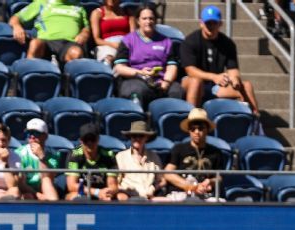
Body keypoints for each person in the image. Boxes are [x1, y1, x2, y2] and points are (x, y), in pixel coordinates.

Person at [180, 5, 264, 133]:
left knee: (246, 86)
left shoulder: (227, 43)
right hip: (191, 82)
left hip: (216, 86)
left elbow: (233, 69)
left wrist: (235, 80)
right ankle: (191, 124)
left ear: (220, 24)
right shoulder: (191, 41)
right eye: (208, 23)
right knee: (196, 81)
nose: (211, 26)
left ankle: (255, 125)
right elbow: (190, 70)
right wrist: (214, 77)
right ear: (201, 23)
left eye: (214, 23)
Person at [113, 4, 183, 108]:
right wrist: (140, 72)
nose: (148, 22)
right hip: (135, 80)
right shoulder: (128, 40)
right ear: (138, 21)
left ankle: (169, 123)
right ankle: (137, 124)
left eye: (151, 18)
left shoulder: (166, 41)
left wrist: (167, 82)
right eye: (144, 18)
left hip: (160, 80)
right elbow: (119, 67)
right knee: (135, 91)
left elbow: (172, 66)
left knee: (176, 90)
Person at [163, 107, 227, 199]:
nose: (197, 132)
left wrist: (210, 181)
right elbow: (168, 173)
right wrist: (189, 186)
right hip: (182, 194)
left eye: (200, 128)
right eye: (193, 129)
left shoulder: (215, 152)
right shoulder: (178, 149)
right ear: (189, 131)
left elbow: (219, 177)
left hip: (206, 195)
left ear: (207, 129)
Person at [10, 0, 90, 64]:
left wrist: (84, 33)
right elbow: (15, 18)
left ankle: (68, 83)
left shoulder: (79, 7)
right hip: (45, 41)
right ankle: (30, 73)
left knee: (76, 52)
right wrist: (17, 27)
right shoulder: (41, 3)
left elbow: (86, 27)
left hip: (69, 42)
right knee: (35, 44)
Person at [66, 122, 118, 200]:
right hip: (82, 192)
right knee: (74, 196)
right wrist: (96, 192)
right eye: (86, 139)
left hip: (103, 193)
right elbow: (72, 186)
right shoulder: (74, 154)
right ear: (81, 140)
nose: (89, 143)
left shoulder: (109, 155)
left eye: (92, 139)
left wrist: (108, 192)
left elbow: (113, 184)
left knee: (117, 197)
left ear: (98, 139)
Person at [114, 119, 164, 199]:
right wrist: (125, 193)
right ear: (130, 137)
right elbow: (116, 182)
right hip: (128, 198)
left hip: (150, 198)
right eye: (134, 136)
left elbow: (162, 181)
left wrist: (153, 189)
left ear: (146, 138)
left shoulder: (154, 157)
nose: (137, 138)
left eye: (141, 136)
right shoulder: (120, 156)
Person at [14, 117, 61, 200]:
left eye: (36, 133)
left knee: (47, 181)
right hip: (26, 189)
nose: (32, 137)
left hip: (45, 187)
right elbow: (20, 183)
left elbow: (49, 177)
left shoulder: (54, 154)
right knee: (28, 196)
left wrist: (41, 157)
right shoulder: (19, 153)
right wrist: (38, 195)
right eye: (29, 133)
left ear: (45, 136)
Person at [90, 0, 131, 64]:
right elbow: (97, 39)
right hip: (106, 44)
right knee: (108, 58)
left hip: (126, 44)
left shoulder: (128, 13)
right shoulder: (97, 13)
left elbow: (134, 36)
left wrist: (124, 45)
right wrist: (113, 45)